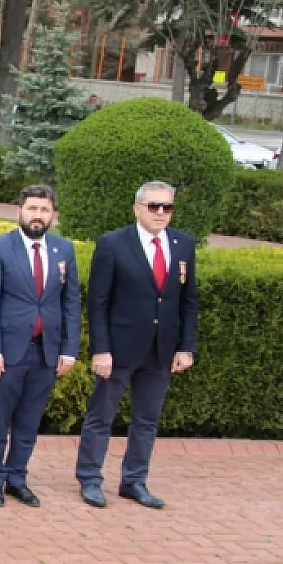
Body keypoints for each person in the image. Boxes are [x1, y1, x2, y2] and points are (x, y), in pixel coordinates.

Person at [74, 181, 198, 509]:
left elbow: (188, 301)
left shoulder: (183, 244)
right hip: (118, 349)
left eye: (167, 207)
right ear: (137, 208)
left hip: (161, 349)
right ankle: (90, 478)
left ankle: (134, 480)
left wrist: (187, 347)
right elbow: (97, 302)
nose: (160, 213)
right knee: (102, 415)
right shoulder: (113, 244)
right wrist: (100, 349)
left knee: (147, 419)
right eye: (153, 206)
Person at [0, 185, 80, 507]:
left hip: (46, 352)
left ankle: (16, 478)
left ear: (54, 215)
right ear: (18, 211)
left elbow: (71, 303)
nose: (38, 215)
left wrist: (69, 349)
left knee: (30, 421)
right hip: (8, 352)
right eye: (33, 209)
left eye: (45, 210)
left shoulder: (63, 250)